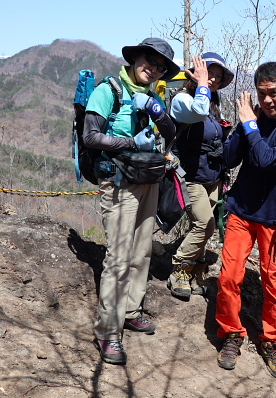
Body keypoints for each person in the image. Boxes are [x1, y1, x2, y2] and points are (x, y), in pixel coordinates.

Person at [83, 38, 180, 365]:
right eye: (149, 60)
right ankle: (108, 331)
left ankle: (132, 310)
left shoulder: (153, 95)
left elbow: (171, 131)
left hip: (149, 180)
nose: (152, 68)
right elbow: (91, 135)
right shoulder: (109, 90)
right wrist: (130, 141)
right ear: (135, 57)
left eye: (160, 66)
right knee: (120, 255)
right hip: (120, 183)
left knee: (141, 250)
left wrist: (156, 110)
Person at [215, 61, 276, 380]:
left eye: (274, 93)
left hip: (275, 218)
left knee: (273, 283)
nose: (268, 99)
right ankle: (231, 333)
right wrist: (245, 125)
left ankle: (273, 342)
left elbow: (266, 160)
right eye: (262, 93)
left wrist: (250, 124)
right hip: (242, 211)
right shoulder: (252, 120)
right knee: (229, 277)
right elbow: (229, 160)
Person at [168, 52, 234, 300]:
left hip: (213, 177)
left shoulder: (214, 106)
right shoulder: (183, 100)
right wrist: (203, 86)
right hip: (191, 176)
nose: (213, 80)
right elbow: (196, 113)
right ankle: (179, 269)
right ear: (194, 74)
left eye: (217, 76)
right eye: (209, 74)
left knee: (205, 227)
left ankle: (195, 271)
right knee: (204, 225)